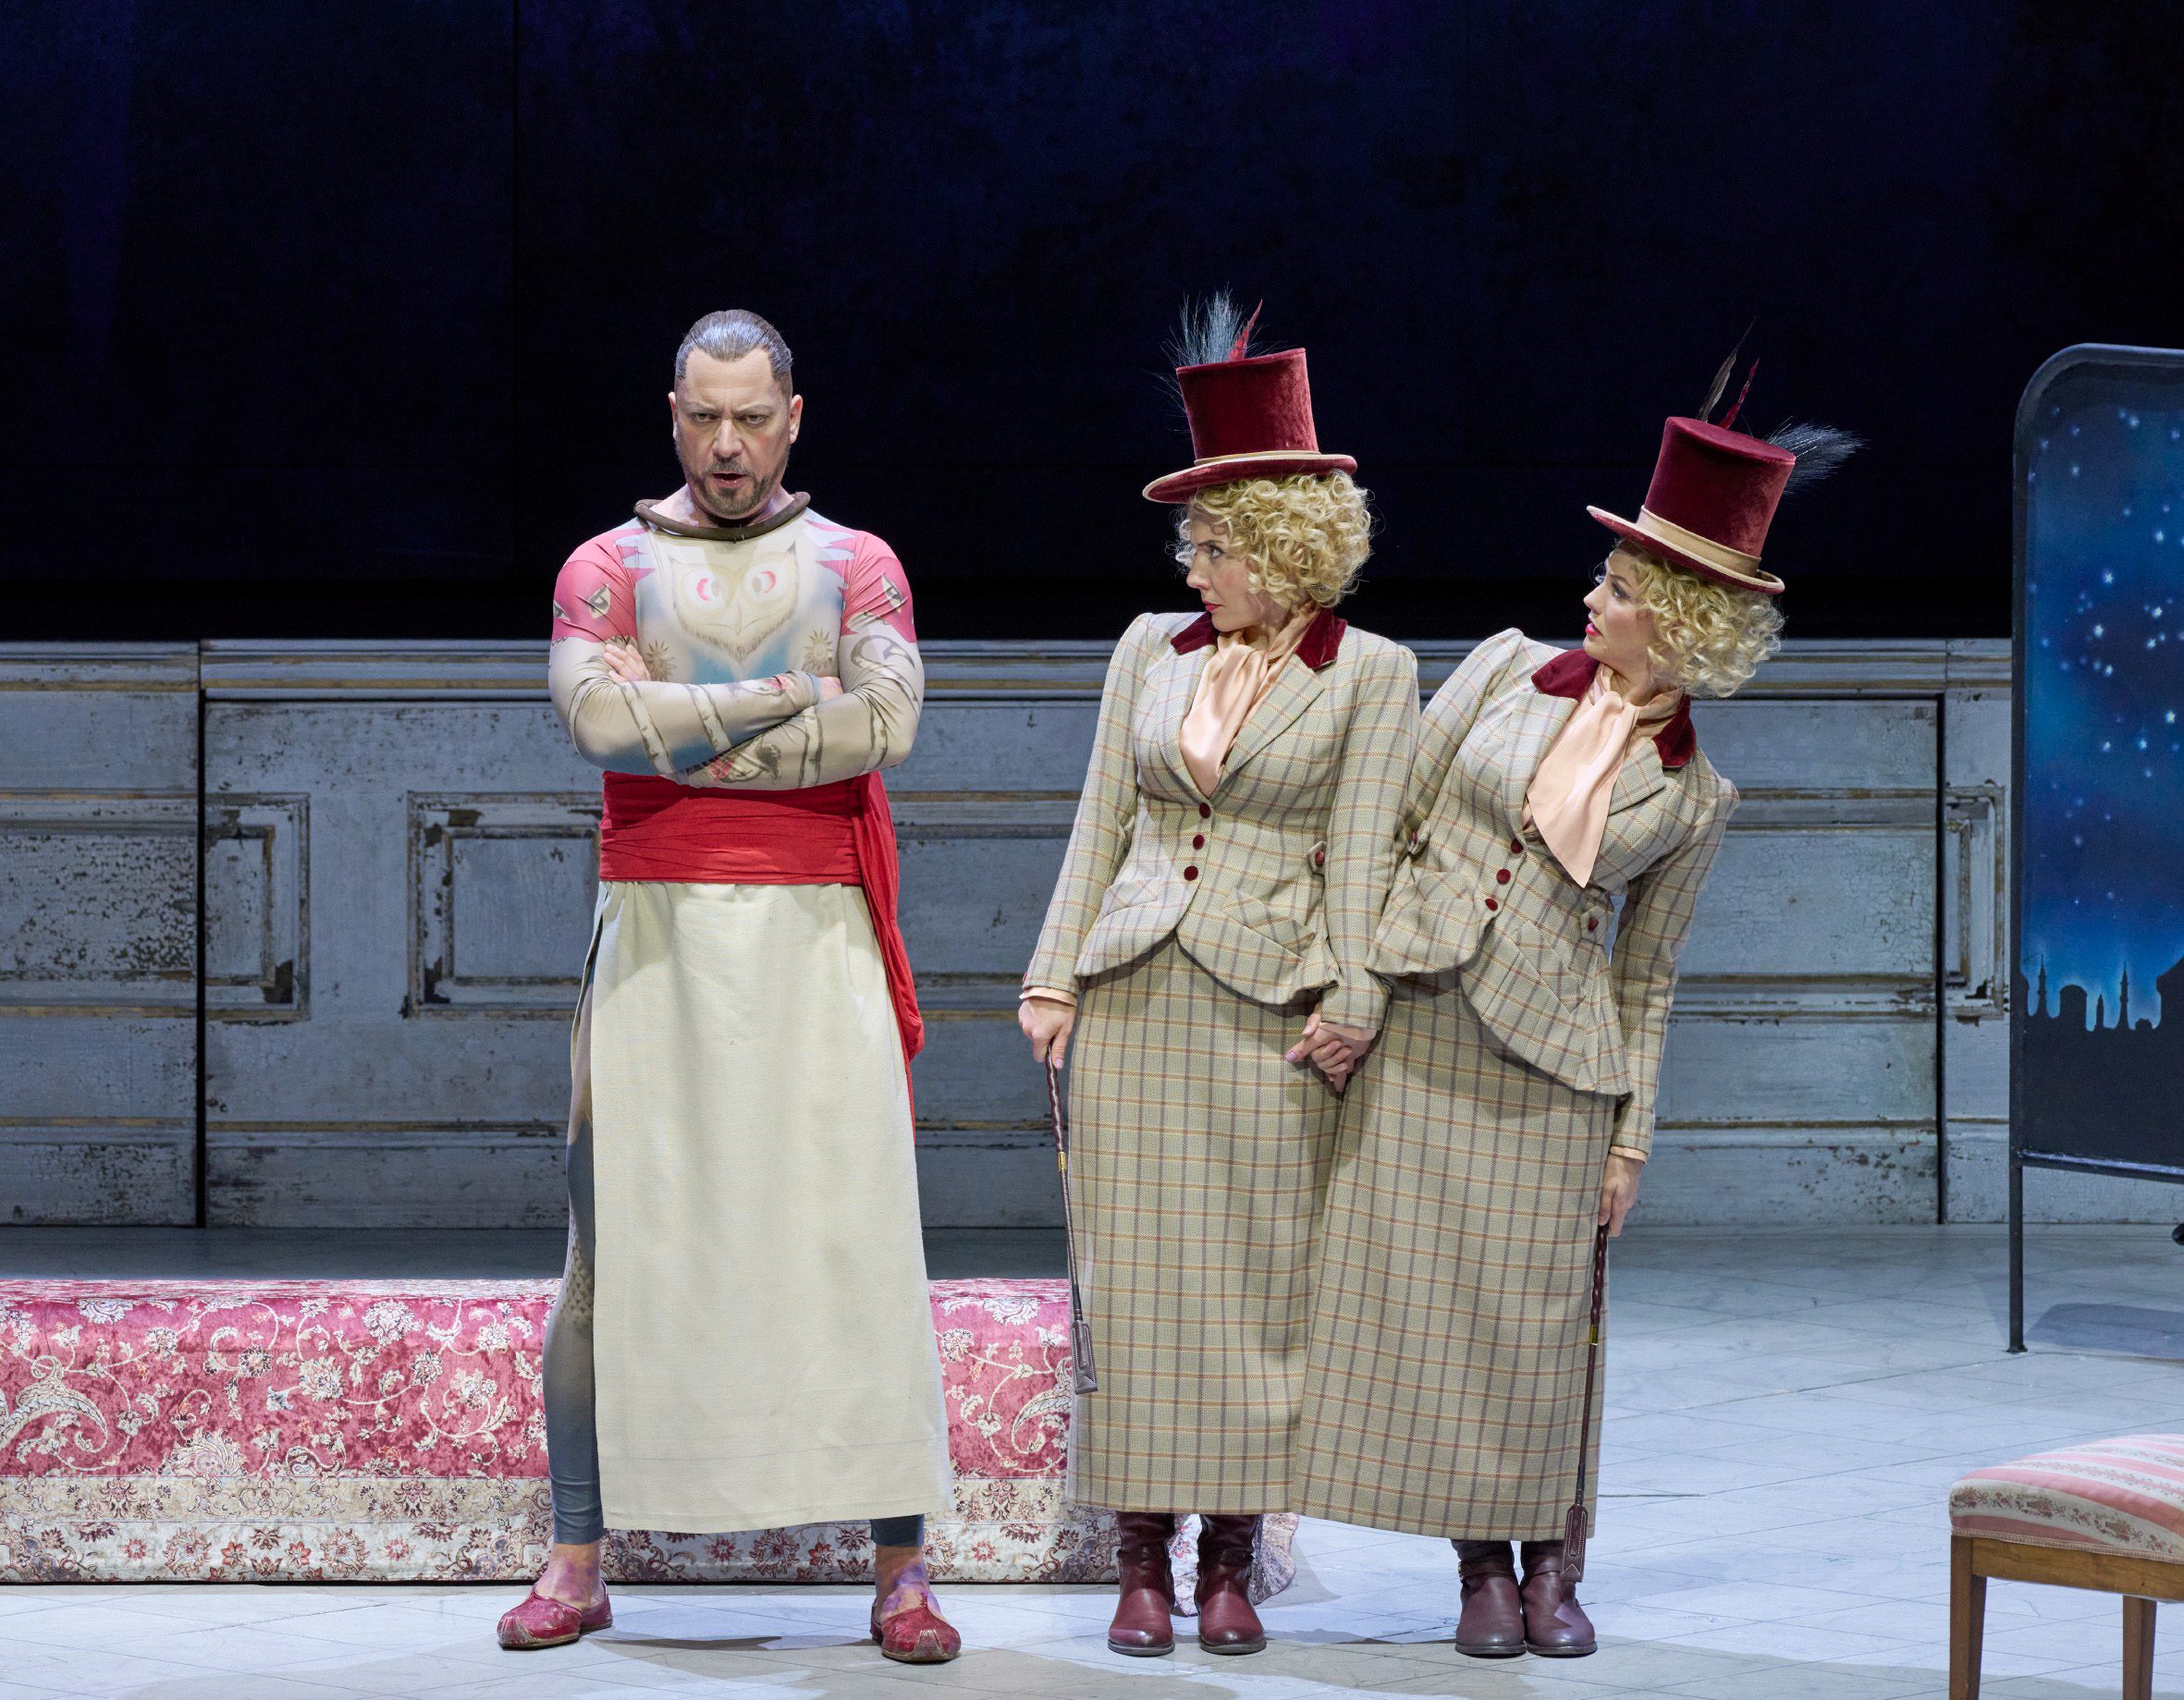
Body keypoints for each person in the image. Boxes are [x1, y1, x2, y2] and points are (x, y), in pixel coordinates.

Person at [1295, 401, 1856, 1658]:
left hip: (1556, 1072)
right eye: (1601, 576)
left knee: (1543, 1328)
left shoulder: (1697, 796)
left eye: (1615, 584)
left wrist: (1628, 1142)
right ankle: (1477, 1567)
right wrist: (1357, 992)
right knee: (1436, 1316)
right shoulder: (1501, 667)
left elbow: (1646, 984)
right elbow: (1387, 826)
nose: (1590, 598)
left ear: (1681, 617)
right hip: (1424, 1029)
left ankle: (1553, 1561)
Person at [497, 309, 959, 1664]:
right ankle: (577, 1558)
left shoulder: (855, 563)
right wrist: (781, 698)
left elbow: (882, 725)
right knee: (613, 1252)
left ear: (794, 417)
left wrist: (683, 721)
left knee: (855, 1241)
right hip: (654, 932)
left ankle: (899, 1567)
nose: (726, 443)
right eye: (703, 415)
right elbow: (592, 719)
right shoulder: (607, 564)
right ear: (672, 412)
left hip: (817, 936)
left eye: (751, 416)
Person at [1018, 297, 1418, 1658]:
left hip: (1269, 1008)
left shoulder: (1370, 674)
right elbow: (1099, 822)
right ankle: (1140, 1556)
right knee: (1127, 1287)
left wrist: (1354, 999)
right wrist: (1052, 977)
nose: (1192, 566)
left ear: (1281, 547)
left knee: (1255, 1292)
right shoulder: (1147, 647)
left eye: (1213, 544)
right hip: (1133, 988)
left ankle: (1230, 1562)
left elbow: (1363, 852)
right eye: (1189, 543)